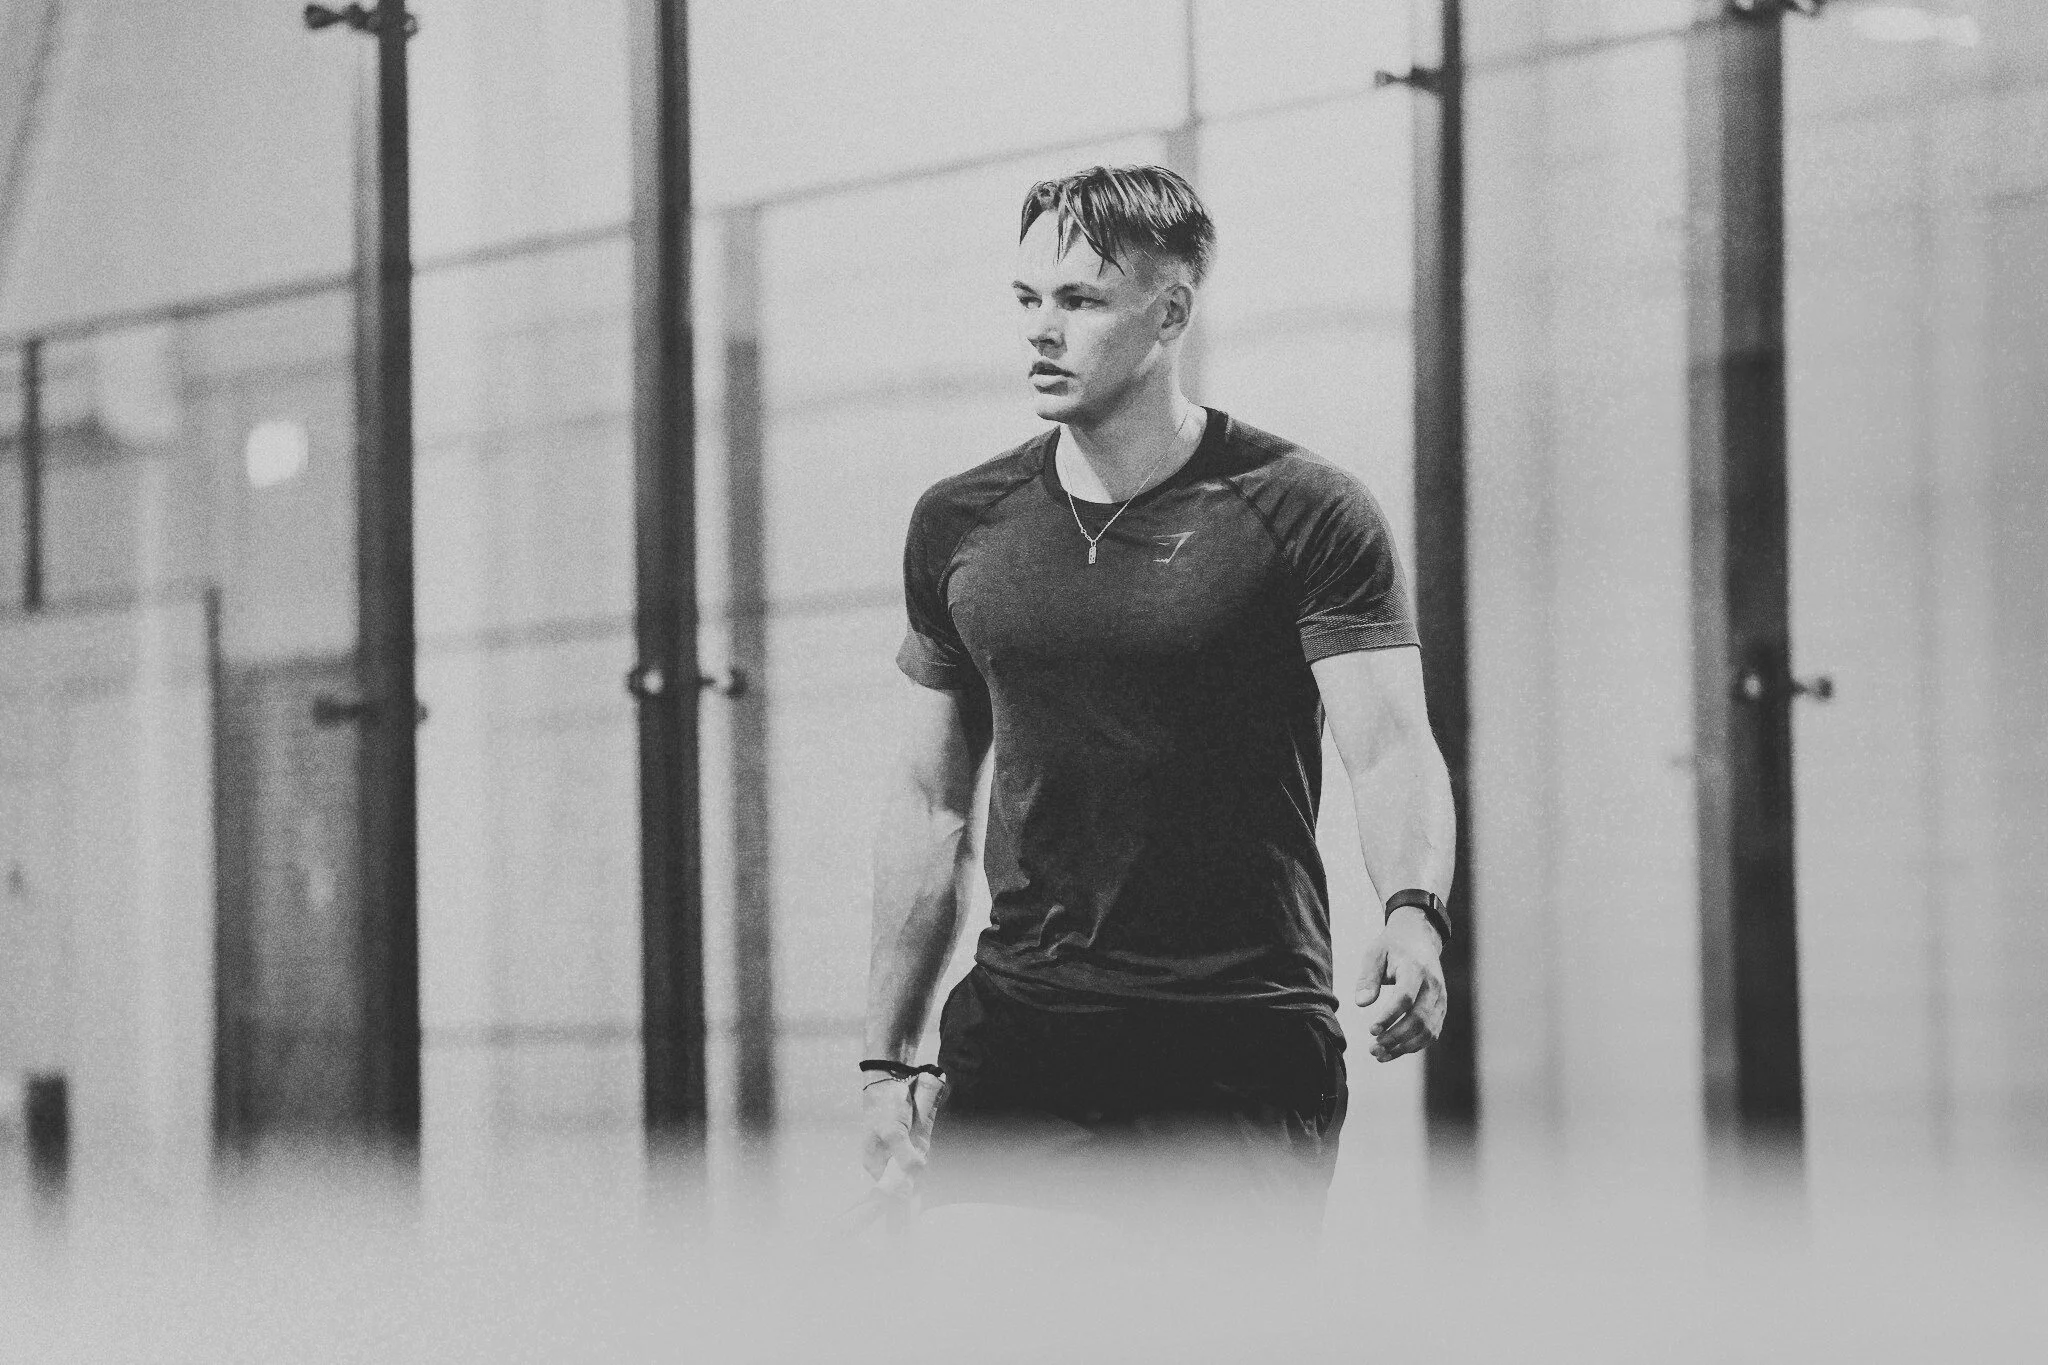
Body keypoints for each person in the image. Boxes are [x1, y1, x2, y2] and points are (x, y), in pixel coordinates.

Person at [860, 164, 1455, 1234]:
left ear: (1169, 311)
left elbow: (1388, 750)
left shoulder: (1303, 509)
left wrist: (1414, 916)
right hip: (1023, 1029)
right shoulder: (958, 522)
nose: (1041, 331)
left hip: (1237, 1037)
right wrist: (879, 1059)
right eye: (1026, 300)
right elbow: (925, 800)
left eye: (1080, 301)